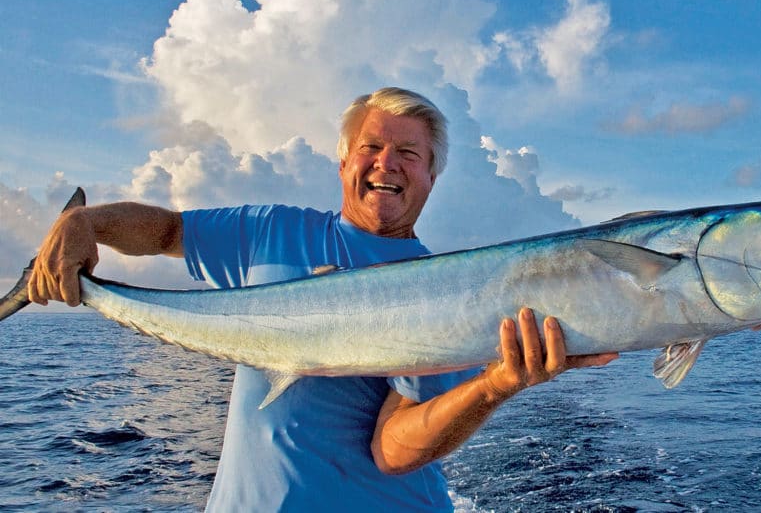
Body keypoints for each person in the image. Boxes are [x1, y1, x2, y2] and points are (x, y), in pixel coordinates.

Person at [27, 87, 618, 511]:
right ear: (344, 161)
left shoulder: (453, 292)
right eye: (372, 147)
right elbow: (166, 232)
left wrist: (496, 384)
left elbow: (393, 449)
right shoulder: (271, 231)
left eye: (410, 154)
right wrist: (86, 222)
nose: (388, 163)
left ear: (432, 176)